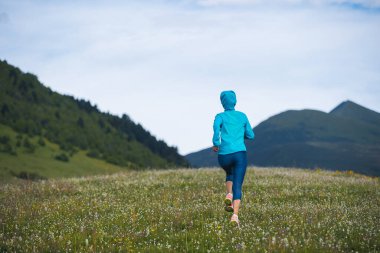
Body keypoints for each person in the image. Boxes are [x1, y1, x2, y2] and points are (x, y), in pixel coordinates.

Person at [212, 90, 255, 226]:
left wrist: (216, 142)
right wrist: (241, 134)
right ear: (235, 101)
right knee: (238, 184)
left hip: (223, 156)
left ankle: (228, 195)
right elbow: (251, 135)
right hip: (239, 154)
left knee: (229, 172)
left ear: (222, 102)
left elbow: (215, 128)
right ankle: (235, 216)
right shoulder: (242, 116)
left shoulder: (220, 116)